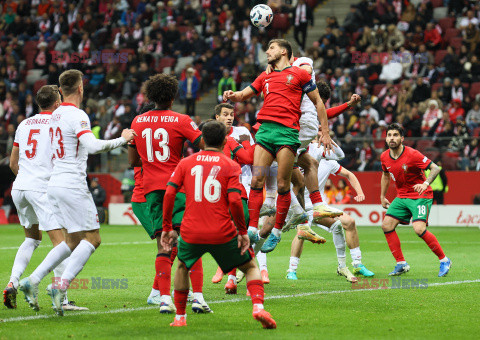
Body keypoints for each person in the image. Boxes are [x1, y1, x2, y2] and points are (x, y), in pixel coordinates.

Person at [18, 70, 136, 316]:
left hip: (53, 184)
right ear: (81, 88)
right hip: (72, 183)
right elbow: (92, 146)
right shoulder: (77, 114)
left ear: (61, 90)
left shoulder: (54, 116)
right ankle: (59, 286)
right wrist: (122, 139)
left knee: (71, 241)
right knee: (93, 238)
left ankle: (33, 279)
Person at [161, 120, 276, 329]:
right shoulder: (230, 165)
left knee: (181, 266)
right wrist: (242, 231)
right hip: (222, 231)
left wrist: (167, 226)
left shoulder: (185, 163)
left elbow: (169, 193)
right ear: (225, 141)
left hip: (191, 230)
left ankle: (180, 318)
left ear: (202, 140)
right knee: (250, 266)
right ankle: (258, 307)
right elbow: (234, 200)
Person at [223, 39, 333, 253]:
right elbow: (246, 93)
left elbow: (319, 102)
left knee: (284, 184)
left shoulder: (301, 74)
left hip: (287, 134)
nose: (267, 51)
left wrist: (325, 132)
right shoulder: (265, 75)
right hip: (265, 132)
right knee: (257, 178)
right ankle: (253, 228)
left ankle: (277, 232)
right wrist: (233, 95)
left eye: (271, 47)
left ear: (284, 51)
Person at [128, 74, 210, 314]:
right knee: (192, 241)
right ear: (173, 96)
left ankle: (163, 299)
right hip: (179, 187)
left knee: (163, 245)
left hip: (151, 190)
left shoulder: (138, 122)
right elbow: (204, 143)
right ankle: (197, 298)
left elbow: (134, 160)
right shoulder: (181, 119)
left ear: (150, 96)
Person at [4, 85, 86, 312]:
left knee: (31, 239)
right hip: (42, 189)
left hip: (19, 187)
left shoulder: (24, 124)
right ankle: (57, 295)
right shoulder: (59, 123)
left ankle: (12, 281)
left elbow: (13, 163)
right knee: (64, 243)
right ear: (58, 102)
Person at [286, 138, 374, 281]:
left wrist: (360, 192)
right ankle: (291, 270)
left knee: (347, 222)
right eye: (315, 136)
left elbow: (349, 174)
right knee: (301, 232)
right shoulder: (295, 155)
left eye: (320, 136)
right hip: (298, 205)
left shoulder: (329, 162)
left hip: (318, 206)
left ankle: (354, 264)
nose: (317, 140)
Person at [380, 123, 451, 277]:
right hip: (402, 196)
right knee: (386, 225)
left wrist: (425, 183)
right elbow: (385, 175)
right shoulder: (384, 156)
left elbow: (436, 168)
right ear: (386, 138)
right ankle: (401, 264)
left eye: (395, 135)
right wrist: (382, 196)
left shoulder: (412, 154)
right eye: (389, 135)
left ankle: (444, 260)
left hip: (420, 196)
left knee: (418, 229)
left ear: (402, 138)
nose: (392, 138)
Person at [212, 103, 270, 293]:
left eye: (231, 114)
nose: (229, 117)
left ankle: (251, 271)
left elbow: (253, 159)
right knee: (232, 232)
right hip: (219, 188)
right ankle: (236, 272)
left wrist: (259, 181)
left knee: (247, 230)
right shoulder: (211, 133)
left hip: (244, 186)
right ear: (217, 117)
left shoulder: (242, 132)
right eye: (225, 114)